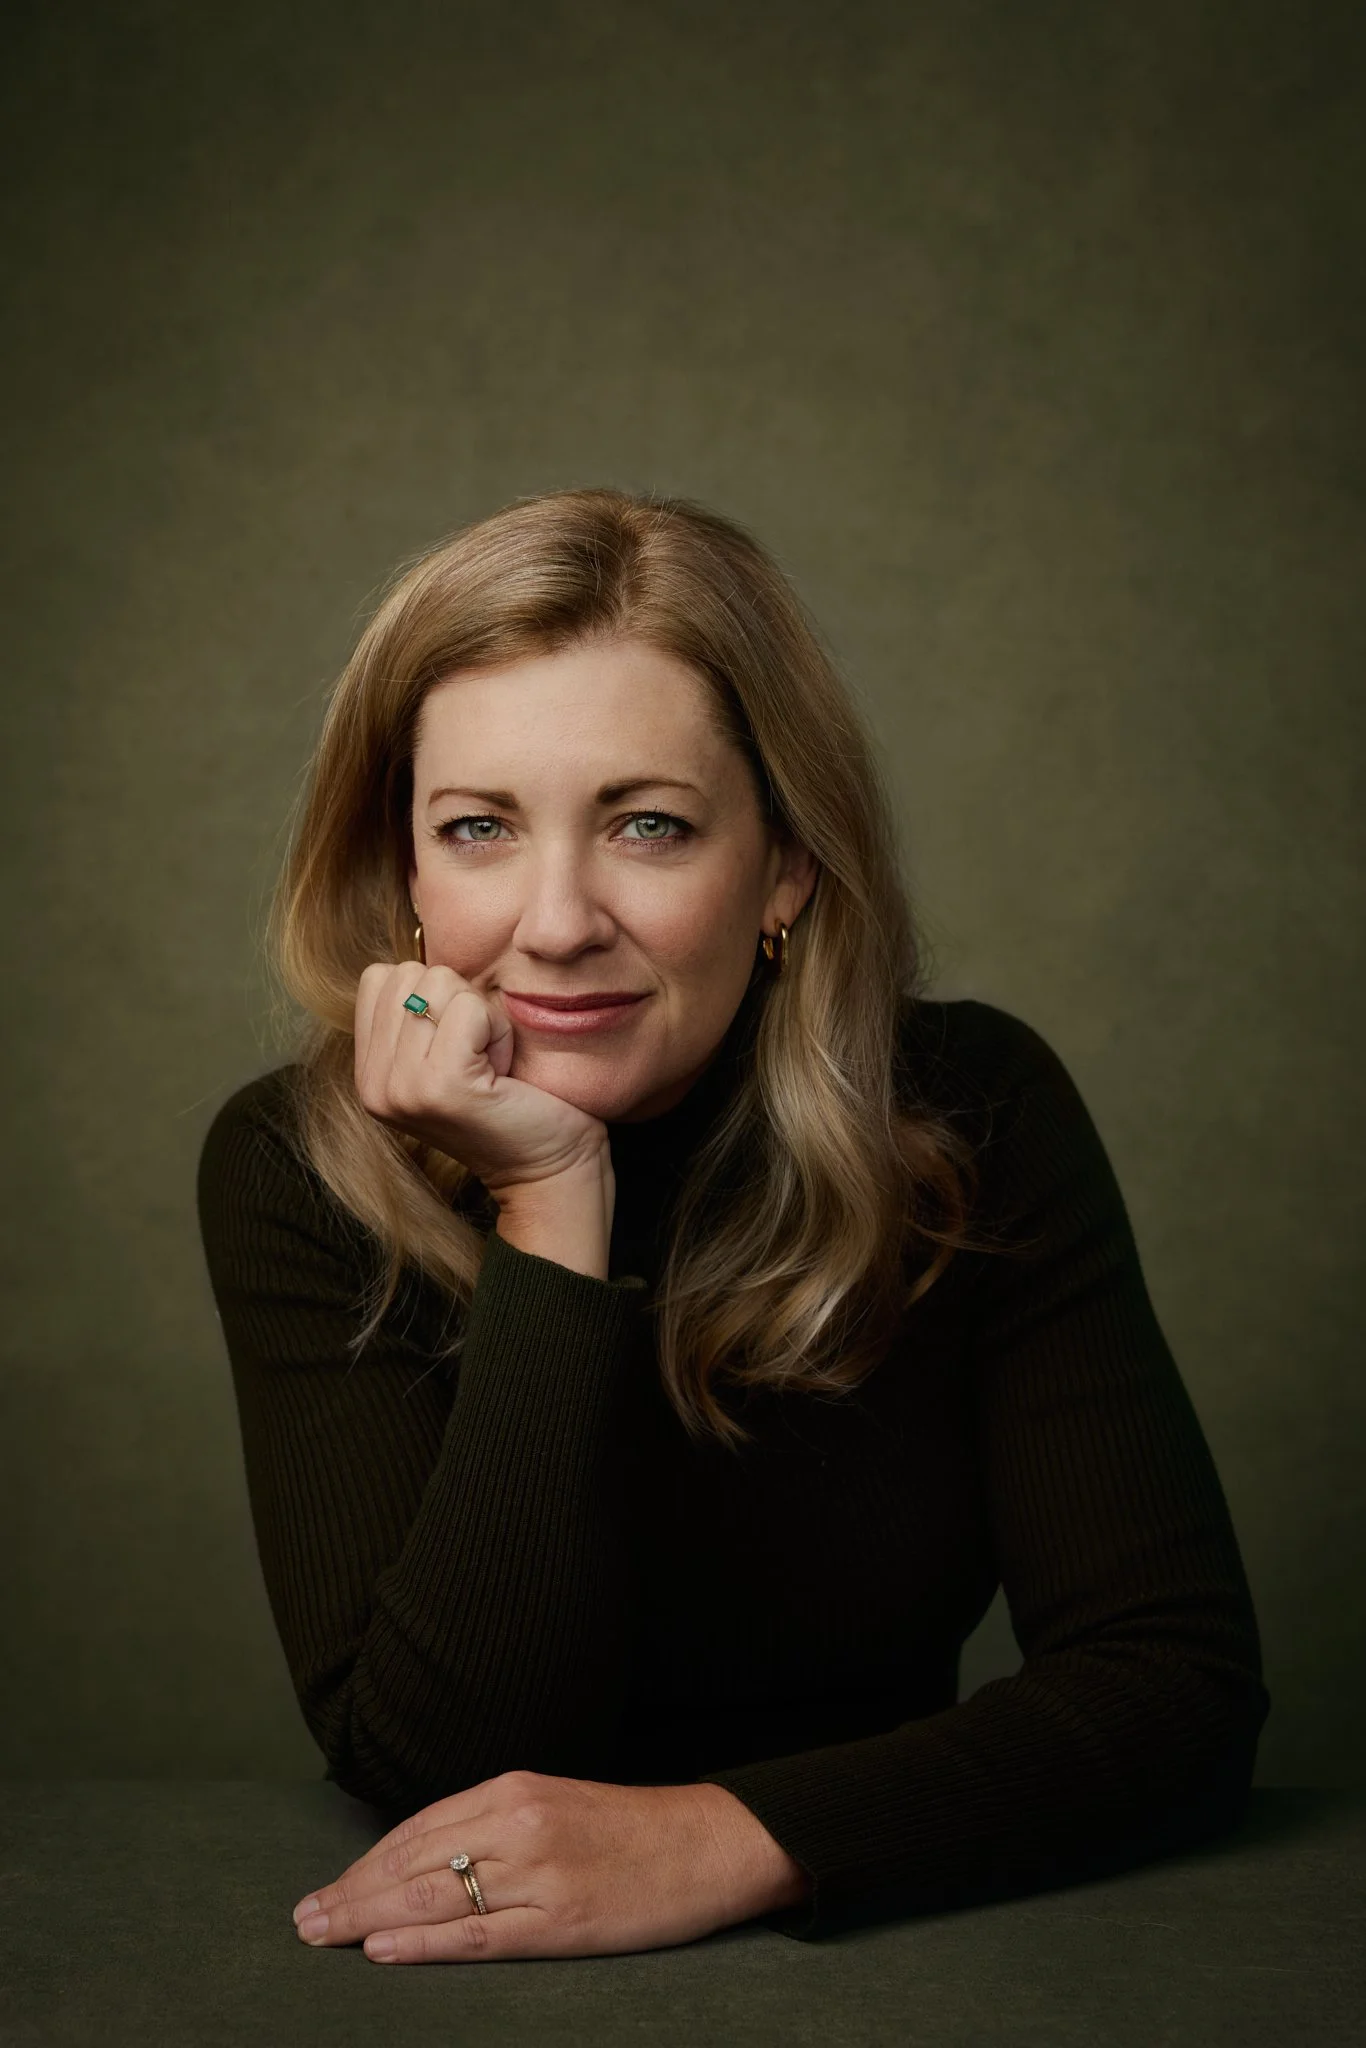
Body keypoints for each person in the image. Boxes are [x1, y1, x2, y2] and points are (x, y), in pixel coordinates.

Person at [196, 485, 1270, 1966]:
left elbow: (1175, 1686)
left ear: (784, 866)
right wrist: (551, 1204)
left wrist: (722, 1842)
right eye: (479, 828)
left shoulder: (972, 1112)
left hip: (909, 1975)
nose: (557, 921)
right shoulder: (296, 1164)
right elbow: (442, 1777)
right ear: (408, 875)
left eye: (647, 825)